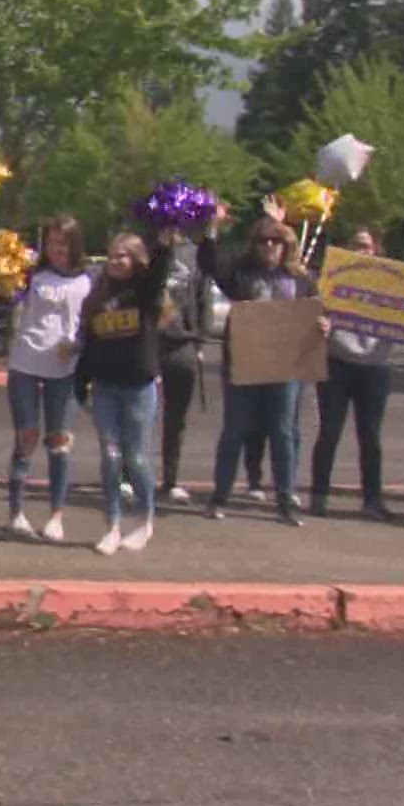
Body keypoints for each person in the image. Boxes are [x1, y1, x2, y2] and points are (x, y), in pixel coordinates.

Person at [199, 200, 326, 527]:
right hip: (244, 364)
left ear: (287, 246)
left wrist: (324, 326)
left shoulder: (301, 280)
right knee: (234, 431)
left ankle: (286, 500)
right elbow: (209, 262)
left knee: (283, 432)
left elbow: (317, 315)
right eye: (263, 240)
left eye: (276, 240)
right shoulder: (242, 274)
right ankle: (219, 497)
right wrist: (212, 228)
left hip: (285, 369)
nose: (269, 245)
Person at [75, 231, 173, 555]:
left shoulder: (143, 293)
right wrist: (81, 383)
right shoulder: (97, 298)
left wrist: (164, 243)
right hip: (106, 387)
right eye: (113, 256)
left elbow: (158, 273)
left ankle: (145, 522)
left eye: (123, 256)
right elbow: (90, 346)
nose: (116, 261)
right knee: (110, 457)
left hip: (138, 386)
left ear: (135, 260)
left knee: (136, 456)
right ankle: (113, 525)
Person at [3, 215, 91, 541]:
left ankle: (56, 515)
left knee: (59, 439)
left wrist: (78, 345)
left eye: (63, 244)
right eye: (52, 243)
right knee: (26, 435)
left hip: (65, 369)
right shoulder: (32, 275)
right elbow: (5, 295)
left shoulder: (88, 279)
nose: (57, 250)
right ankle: (16, 511)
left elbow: (92, 324)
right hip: (26, 361)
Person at [308, 226, 396, 521]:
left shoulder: (391, 284)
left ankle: (373, 499)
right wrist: (321, 325)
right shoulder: (331, 281)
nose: (362, 251)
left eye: (367, 246)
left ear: (376, 250)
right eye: (356, 245)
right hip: (337, 362)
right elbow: (313, 314)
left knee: (370, 436)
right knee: (329, 432)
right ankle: (319, 495)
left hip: (375, 366)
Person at [154, 227, 211, 505]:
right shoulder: (147, 245)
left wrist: (200, 340)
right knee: (139, 413)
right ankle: (128, 476)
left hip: (182, 342)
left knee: (176, 417)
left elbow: (203, 297)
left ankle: (171, 479)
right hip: (149, 342)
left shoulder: (195, 253)